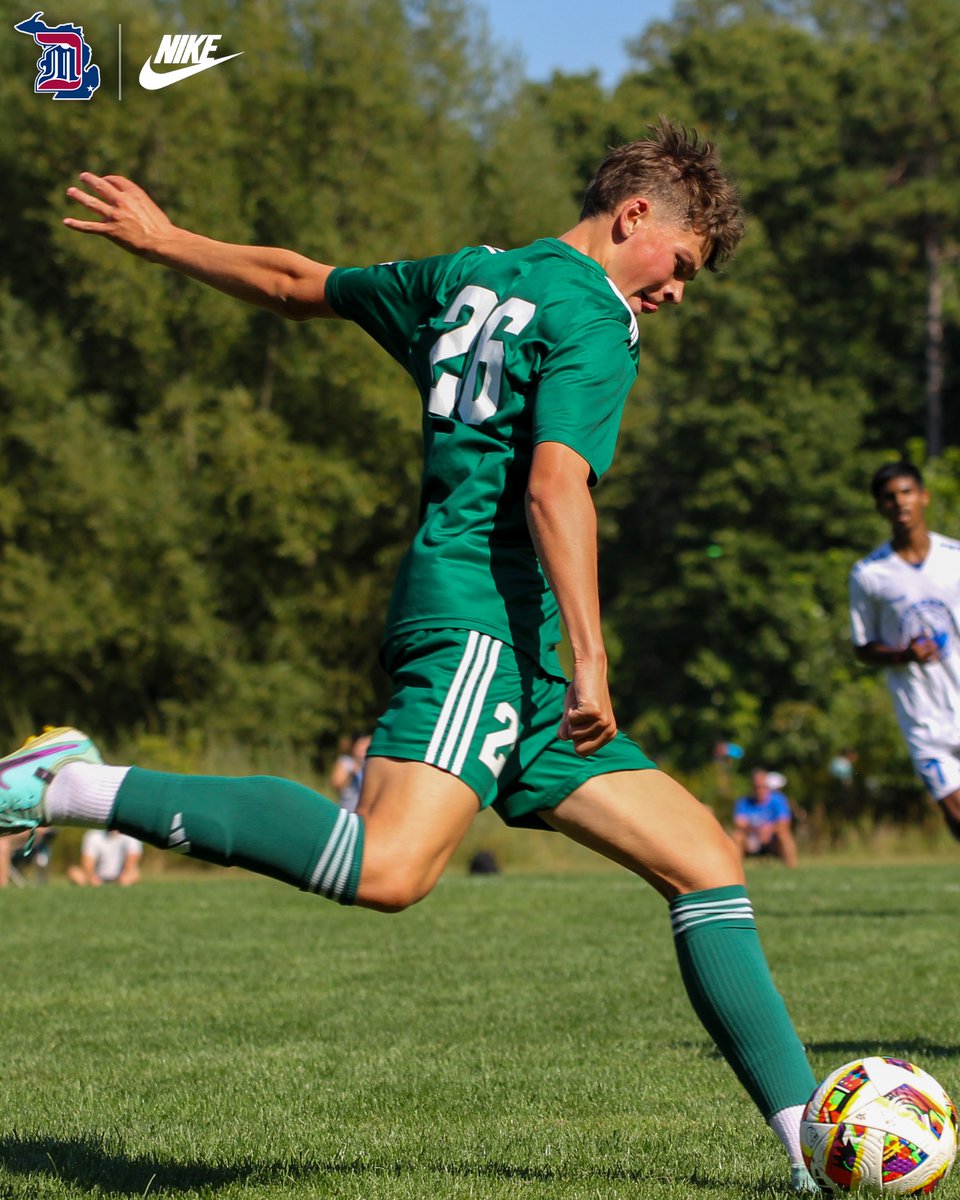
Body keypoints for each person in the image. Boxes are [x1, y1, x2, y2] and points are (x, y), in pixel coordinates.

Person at [0, 120, 817, 1191]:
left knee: (705, 860)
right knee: (386, 869)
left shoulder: (468, 277)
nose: (674, 295)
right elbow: (553, 487)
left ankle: (816, 1150)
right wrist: (592, 659)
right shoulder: (594, 317)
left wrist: (168, 243)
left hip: (506, 645)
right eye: (684, 266)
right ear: (634, 219)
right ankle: (61, 782)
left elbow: (299, 283)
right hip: (488, 624)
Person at [849, 460, 960, 838]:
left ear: (924, 496)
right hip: (922, 715)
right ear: (880, 507)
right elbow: (862, 647)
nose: (900, 502)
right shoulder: (869, 574)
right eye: (889, 497)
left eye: (907, 492)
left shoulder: (955, 558)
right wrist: (903, 655)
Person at [731, 770, 798, 868]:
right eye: (757, 787)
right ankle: (735, 869)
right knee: (737, 836)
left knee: (784, 834)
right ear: (752, 787)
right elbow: (739, 823)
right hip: (752, 839)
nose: (760, 790)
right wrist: (757, 830)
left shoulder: (778, 800)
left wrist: (769, 829)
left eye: (764, 786)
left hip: (773, 840)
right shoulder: (743, 802)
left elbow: (785, 822)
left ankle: (792, 867)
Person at [67, 828, 143, 887]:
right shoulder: (93, 835)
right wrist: (92, 876)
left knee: (134, 872)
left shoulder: (130, 835)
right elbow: (88, 862)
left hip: (121, 875)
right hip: (98, 877)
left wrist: (125, 874)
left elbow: (132, 858)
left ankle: (122, 882)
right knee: (73, 872)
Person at [329, 734, 370, 814]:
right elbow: (336, 784)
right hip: (347, 810)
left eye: (367, 744)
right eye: (361, 744)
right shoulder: (345, 762)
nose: (363, 747)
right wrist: (351, 775)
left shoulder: (370, 767)